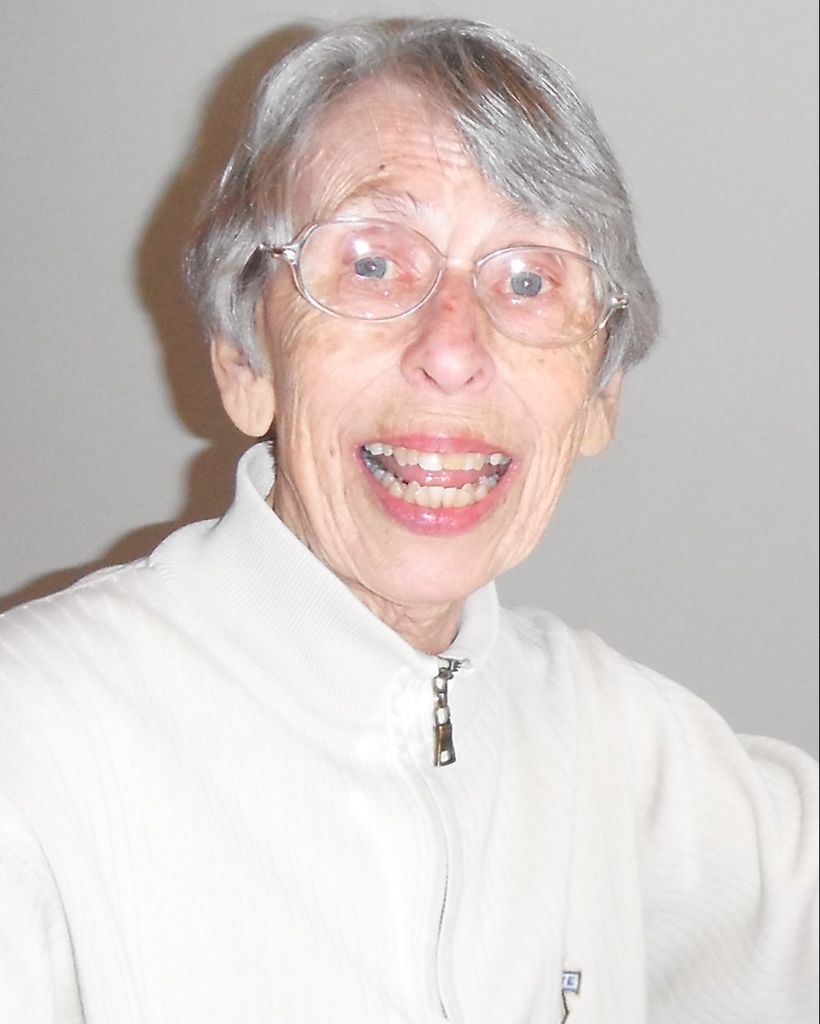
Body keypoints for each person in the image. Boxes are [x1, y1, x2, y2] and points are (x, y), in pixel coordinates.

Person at [0, 17, 816, 1023]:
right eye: (374, 263)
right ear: (245, 361)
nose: (452, 349)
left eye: (530, 280)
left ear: (599, 398)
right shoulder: (30, 754)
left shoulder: (613, 748)